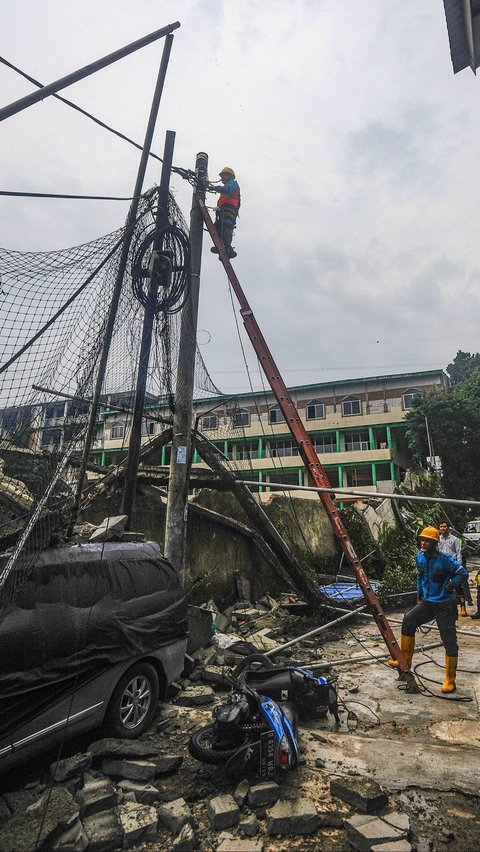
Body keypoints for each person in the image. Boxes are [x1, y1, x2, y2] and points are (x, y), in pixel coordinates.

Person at [389, 526, 468, 693]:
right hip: (427, 602)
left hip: (444, 605)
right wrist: (419, 595)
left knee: (449, 641)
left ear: (434, 543)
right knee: (409, 619)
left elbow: (463, 574)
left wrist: (450, 586)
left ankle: (450, 680)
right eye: (422, 540)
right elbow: (420, 576)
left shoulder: (445, 560)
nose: (423, 543)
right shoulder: (420, 558)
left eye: (427, 541)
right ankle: (405, 661)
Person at [438, 521, 471, 616]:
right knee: (442, 586)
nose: (442, 528)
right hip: (442, 567)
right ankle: (444, 608)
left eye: (444, 526)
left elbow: (458, 553)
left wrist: (459, 566)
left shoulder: (455, 539)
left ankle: (463, 607)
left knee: (458, 586)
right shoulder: (438, 540)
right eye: (441, 527)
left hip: (453, 566)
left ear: (448, 528)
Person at [209, 167, 240, 259]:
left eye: (223, 176)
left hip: (229, 209)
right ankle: (220, 246)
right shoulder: (228, 185)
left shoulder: (233, 184)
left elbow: (228, 190)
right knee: (218, 226)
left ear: (230, 176)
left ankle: (227, 246)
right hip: (223, 210)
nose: (222, 178)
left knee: (227, 225)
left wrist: (216, 188)